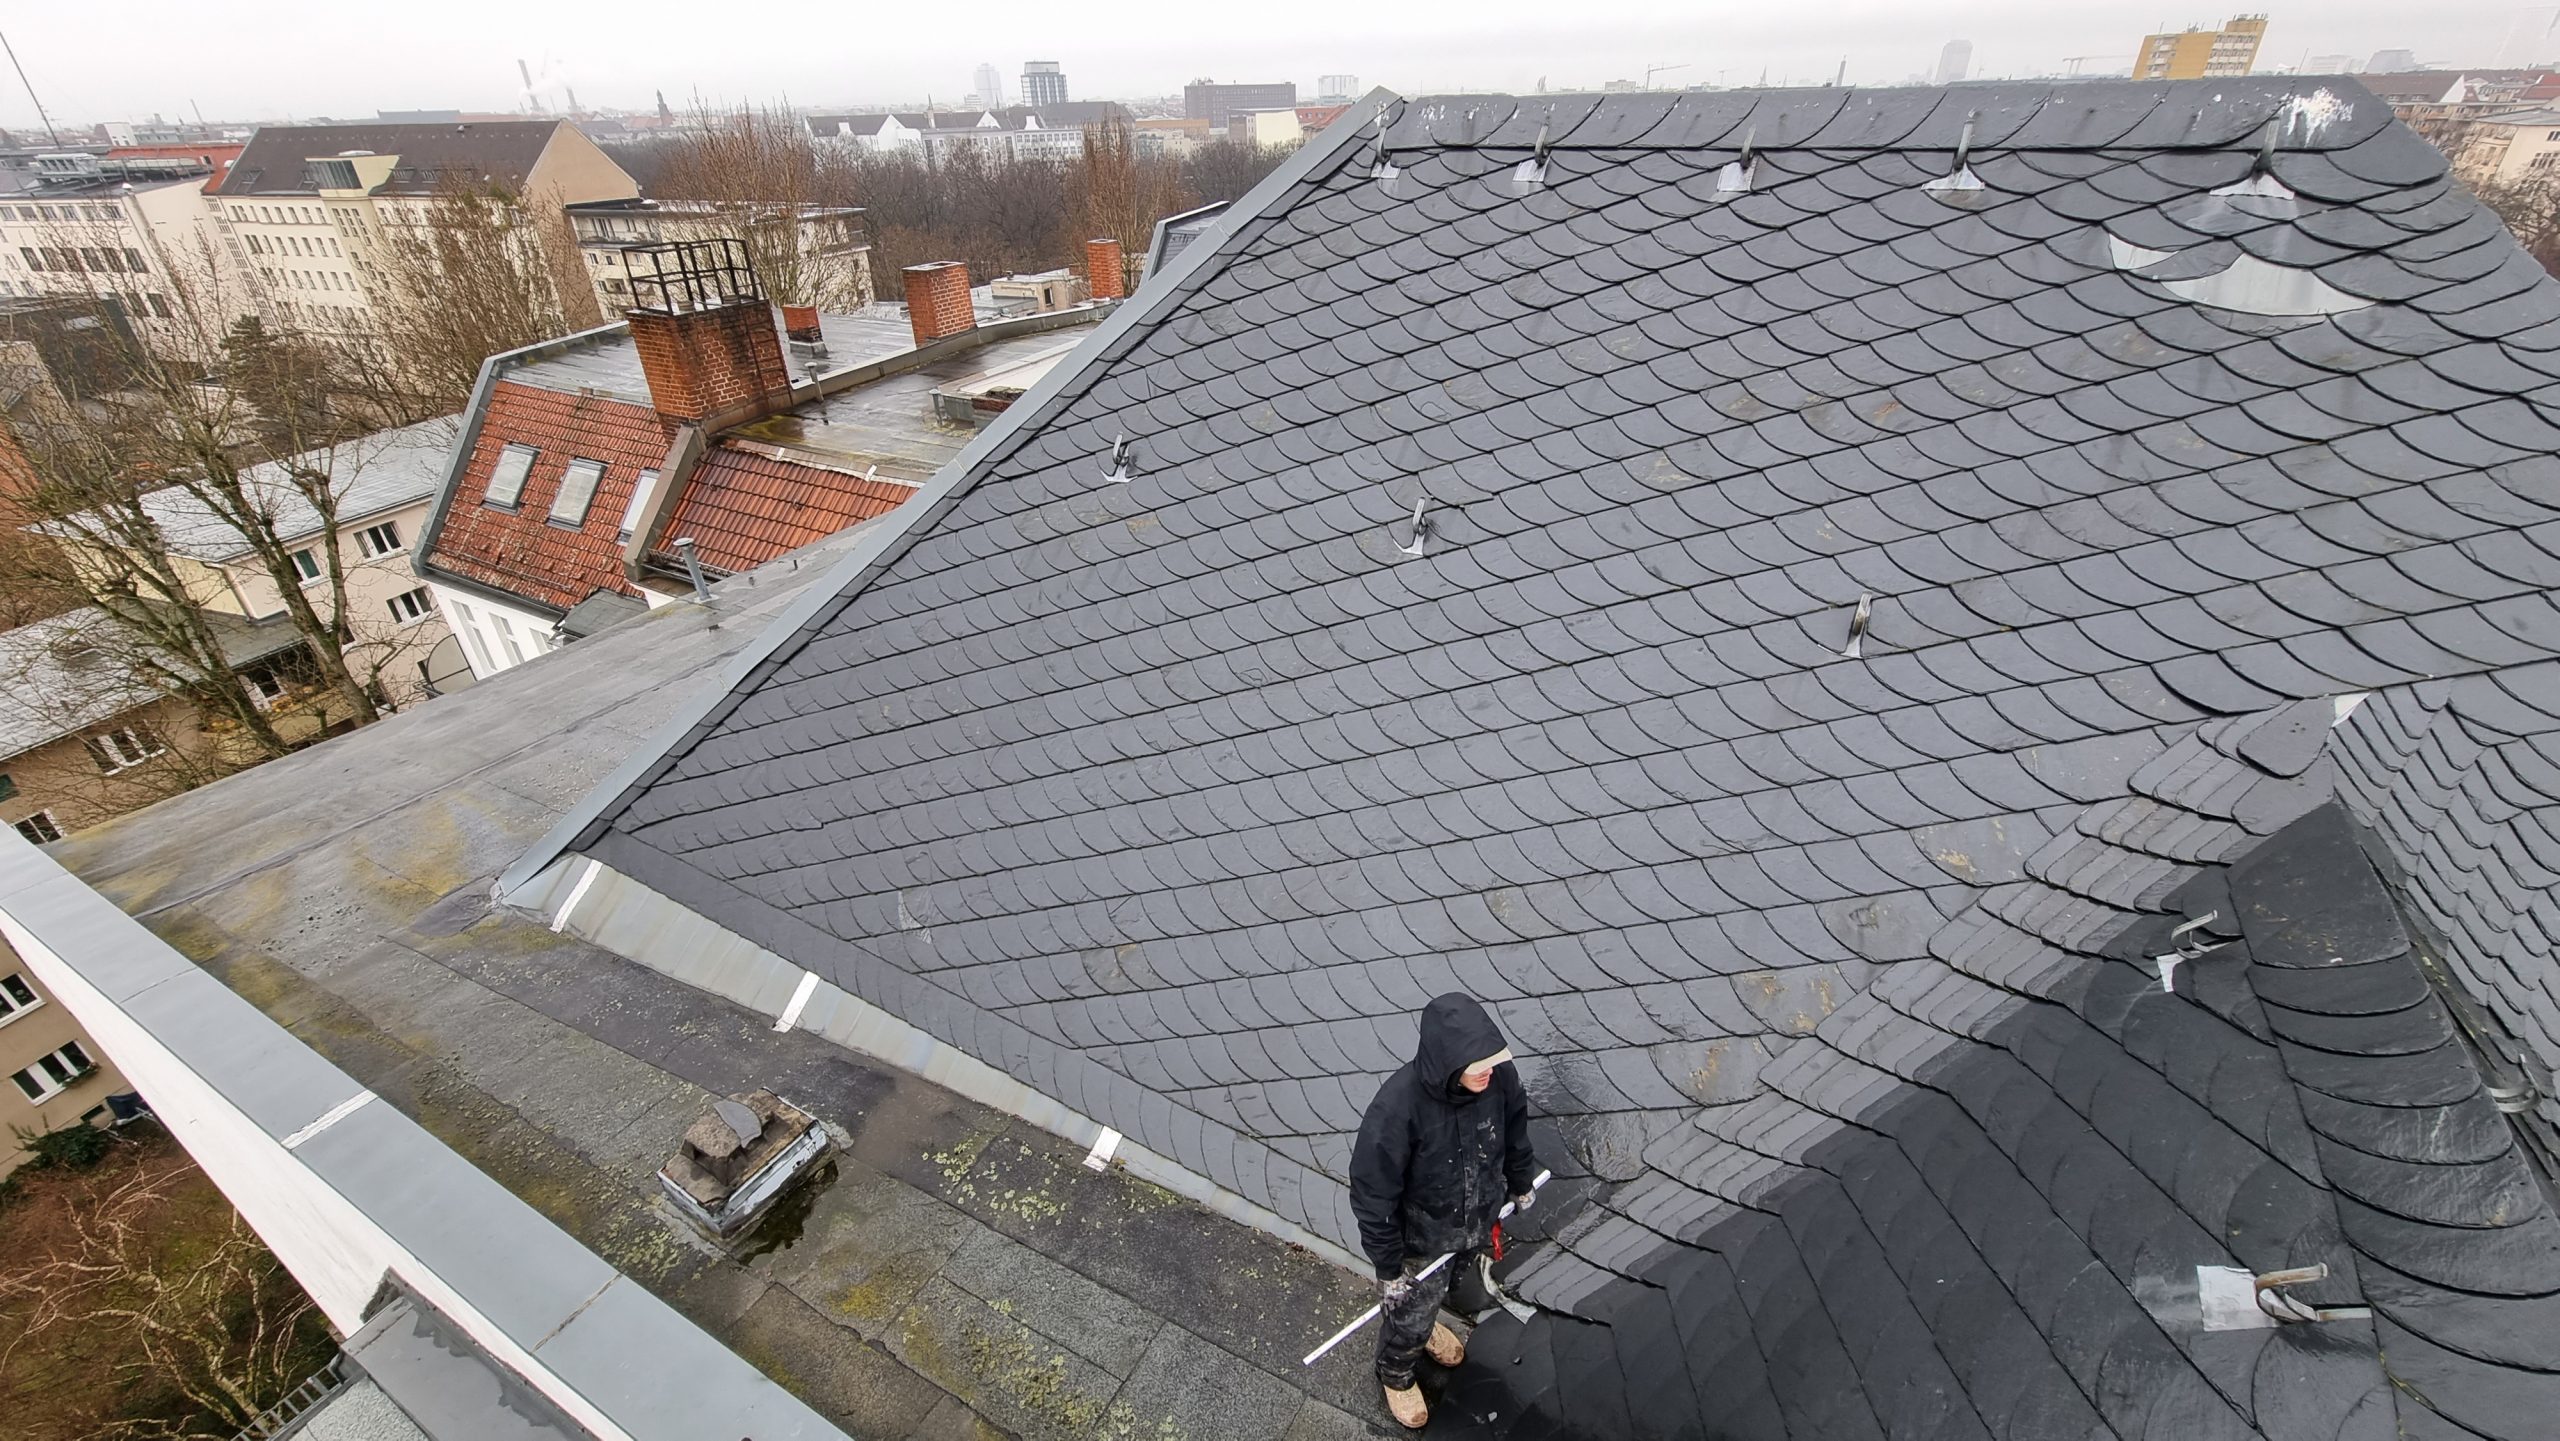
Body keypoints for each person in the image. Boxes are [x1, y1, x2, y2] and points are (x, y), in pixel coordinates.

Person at [1348, 992, 1539, 1430]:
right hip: (1422, 1240)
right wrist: (1389, 1266)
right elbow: (1373, 1194)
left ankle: (1424, 1324)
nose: (1488, 1071)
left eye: (1492, 1061)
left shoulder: (1500, 1079)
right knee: (1410, 1311)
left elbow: (1515, 1131)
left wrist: (1521, 1181)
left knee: (1443, 1292)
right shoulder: (1396, 1109)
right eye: (1478, 1065)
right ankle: (1396, 1372)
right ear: (1450, 1062)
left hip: (1475, 1222)